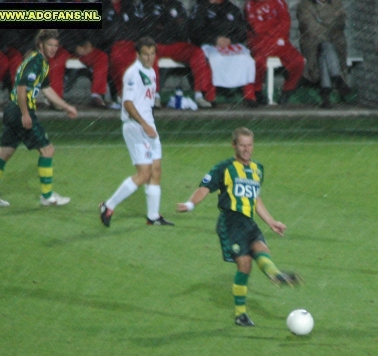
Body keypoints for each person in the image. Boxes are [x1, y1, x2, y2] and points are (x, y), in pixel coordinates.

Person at [176, 127, 302, 326]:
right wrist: (191, 204)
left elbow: (255, 198)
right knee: (245, 265)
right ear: (233, 145)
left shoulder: (258, 169)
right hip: (230, 222)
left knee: (262, 249)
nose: (246, 149)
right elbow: (205, 188)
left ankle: (276, 274)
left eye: (249, 145)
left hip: (248, 222)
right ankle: (240, 314)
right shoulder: (224, 167)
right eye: (242, 145)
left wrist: (271, 221)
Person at [0, 29, 76, 208]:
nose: (53, 49)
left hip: (12, 111)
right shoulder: (35, 62)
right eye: (50, 45)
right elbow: (21, 88)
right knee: (47, 150)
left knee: (5, 153)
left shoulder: (42, 63)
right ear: (40, 44)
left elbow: (46, 90)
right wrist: (26, 114)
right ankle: (47, 196)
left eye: (55, 46)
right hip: (21, 111)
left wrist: (66, 106)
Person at [99, 37, 173, 227]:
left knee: (156, 171)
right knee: (144, 174)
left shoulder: (151, 72)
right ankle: (108, 205)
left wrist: (150, 124)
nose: (149, 58)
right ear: (137, 55)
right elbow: (128, 103)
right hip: (136, 127)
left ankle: (153, 217)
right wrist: (144, 124)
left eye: (152, 54)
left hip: (149, 126)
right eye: (145, 55)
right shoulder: (133, 73)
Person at [189, 0, 257, 107]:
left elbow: (243, 30)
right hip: (210, 44)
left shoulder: (232, 9)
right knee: (214, 59)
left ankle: (249, 96)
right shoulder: (201, 7)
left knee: (247, 59)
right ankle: (210, 97)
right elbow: (195, 31)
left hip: (231, 43)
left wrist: (231, 39)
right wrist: (214, 40)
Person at [150, 0, 215, 108]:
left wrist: (165, 26)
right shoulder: (150, 4)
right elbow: (151, 27)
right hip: (157, 44)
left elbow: (184, 27)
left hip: (177, 44)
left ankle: (199, 95)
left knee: (197, 53)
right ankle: (154, 95)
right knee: (149, 55)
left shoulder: (177, 4)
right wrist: (173, 23)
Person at [245, 0, 306, 105]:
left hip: (279, 41)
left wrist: (268, 28)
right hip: (261, 42)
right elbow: (257, 28)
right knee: (258, 62)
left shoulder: (278, 2)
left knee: (299, 61)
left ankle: (287, 90)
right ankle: (257, 90)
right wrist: (275, 23)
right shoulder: (250, 4)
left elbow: (286, 23)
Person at [297, 0, 351, 108]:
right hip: (312, 43)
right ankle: (336, 79)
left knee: (326, 51)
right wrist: (329, 25)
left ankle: (325, 93)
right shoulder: (304, 5)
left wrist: (322, 23)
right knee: (325, 47)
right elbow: (310, 27)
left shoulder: (336, 3)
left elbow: (341, 23)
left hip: (334, 42)